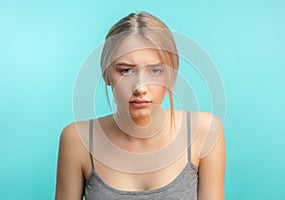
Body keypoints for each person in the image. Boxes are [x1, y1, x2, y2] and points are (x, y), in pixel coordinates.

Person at [55, 11, 225, 200]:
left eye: (155, 70)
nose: (140, 87)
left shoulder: (204, 132)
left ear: (171, 75)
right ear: (106, 74)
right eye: (126, 70)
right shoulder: (77, 140)